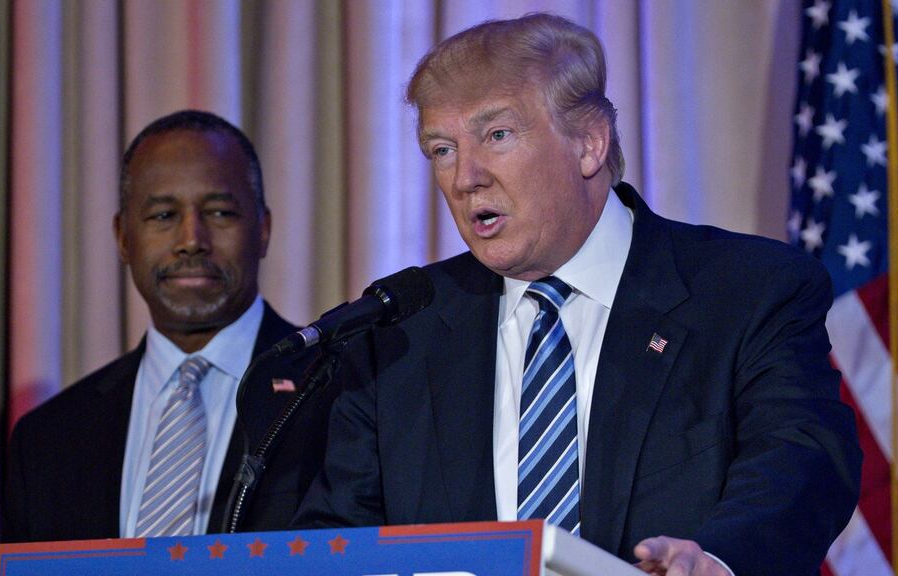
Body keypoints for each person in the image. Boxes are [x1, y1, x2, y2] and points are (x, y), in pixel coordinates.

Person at [294, 13, 861, 575]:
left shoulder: (746, 290)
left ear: (589, 143)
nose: (466, 177)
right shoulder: (401, 329)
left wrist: (715, 561)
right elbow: (337, 538)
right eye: (442, 149)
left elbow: (803, 458)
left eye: (497, 135)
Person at [3, 110, 337, 542]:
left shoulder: (340, 395)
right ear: (123, 237)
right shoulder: (46, 441)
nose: (191, 239)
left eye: (219, 212)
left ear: (264, 230)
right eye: (162, 216)